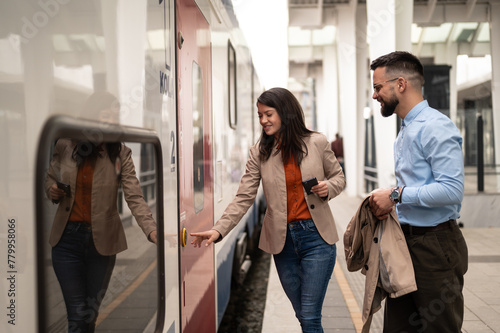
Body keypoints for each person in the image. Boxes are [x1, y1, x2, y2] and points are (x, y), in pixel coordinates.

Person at [191, 87, 345, 332]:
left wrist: (330, 187)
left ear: (285, 112)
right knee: (303, 314)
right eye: (259, 115)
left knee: (309, 314)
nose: (263, 120)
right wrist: (218, 230)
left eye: (268, 114)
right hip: (282, 243)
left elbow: (339, 177)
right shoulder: (259, 153)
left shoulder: (317, 142)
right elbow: (244, 197)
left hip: (316, 237)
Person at [368, 51, 468, 332]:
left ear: (400, 84)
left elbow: (452, 190)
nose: (375, 95)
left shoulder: (435, 126)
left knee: (440, 328)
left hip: (435, 247)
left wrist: (397, 195)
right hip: (405, 244)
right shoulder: (407, 128)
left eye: (378, 87)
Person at [45, 92, 158, 332]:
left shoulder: (121, 154)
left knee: (89, 314)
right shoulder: (66, 144)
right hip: (66, 241)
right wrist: (52, 190)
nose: (111, 121)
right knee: (76, 315)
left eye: (115, 116)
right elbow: (50, 177)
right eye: (105, 115)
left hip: (102, 244)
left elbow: (134, 196)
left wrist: (151, 230)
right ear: (91, 116)